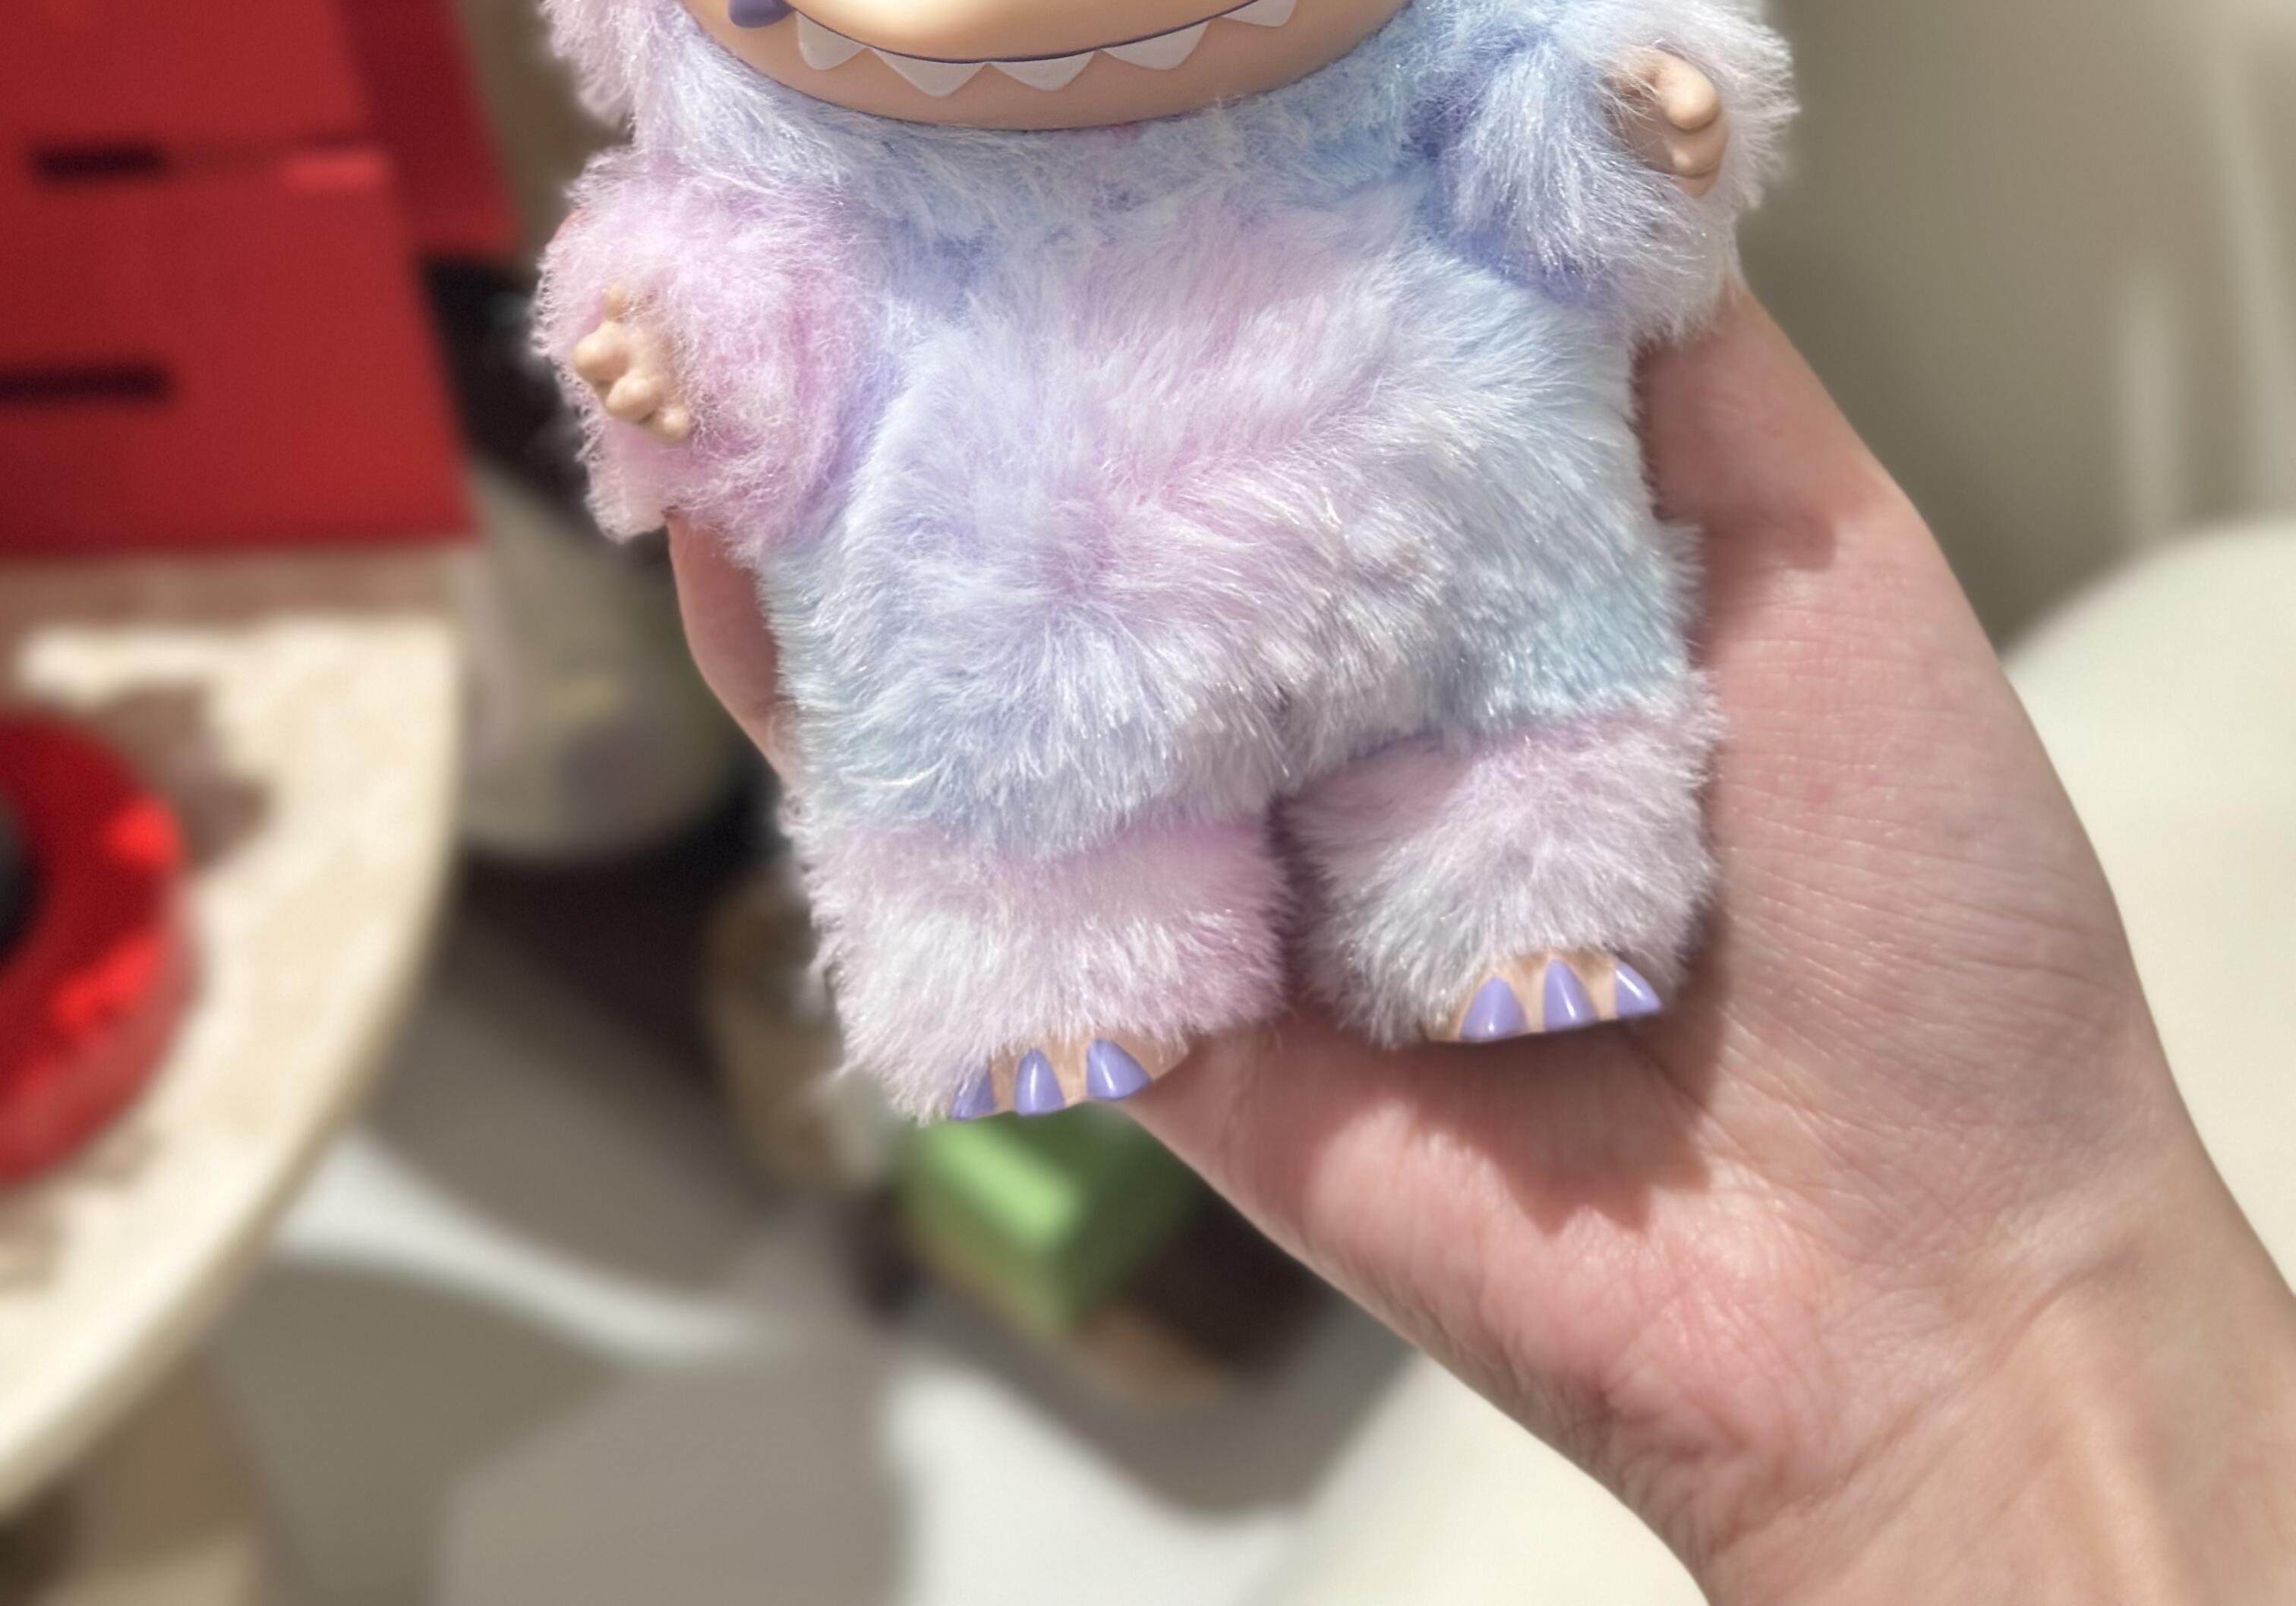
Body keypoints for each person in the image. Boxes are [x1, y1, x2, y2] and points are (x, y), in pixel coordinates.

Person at [667, 295, 2296, 1596]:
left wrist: (1611, 114)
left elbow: (1567, 131)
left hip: (1432, 545)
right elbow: (728, 285)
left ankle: (1519, 902)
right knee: (981, 731)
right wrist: (694, 327)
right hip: (1041, 601)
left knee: (1520, 644)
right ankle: (1056, 953)